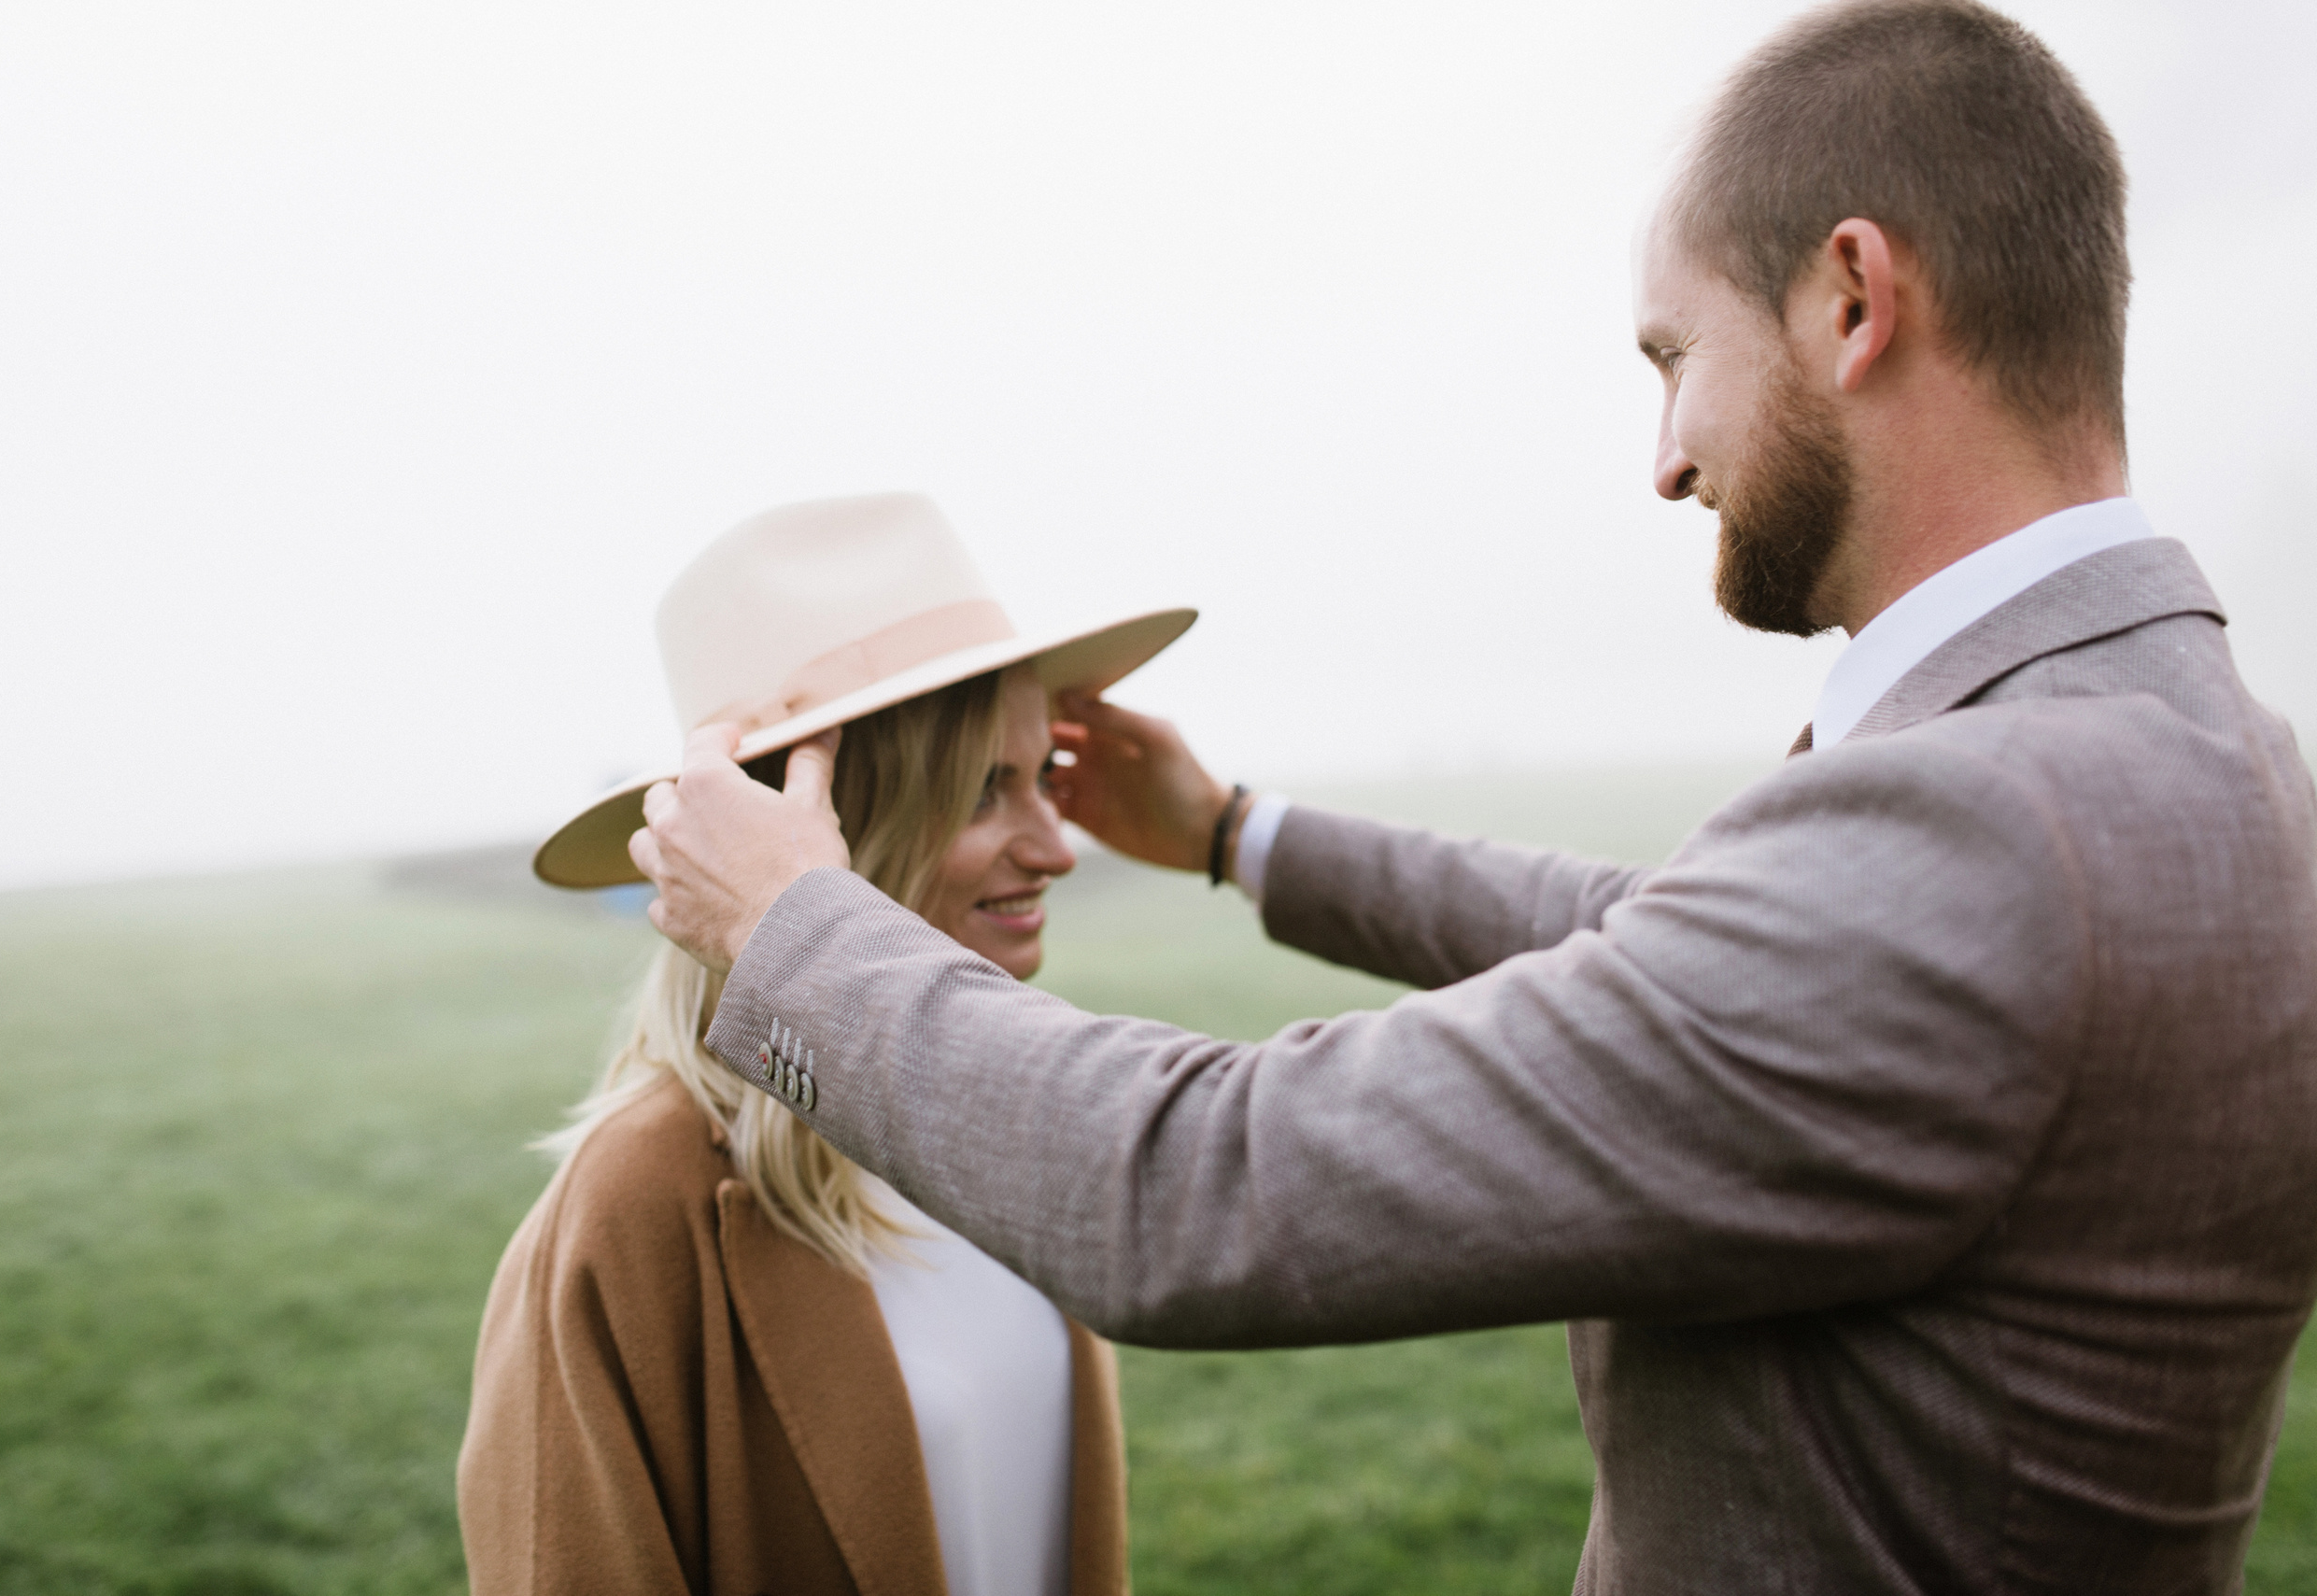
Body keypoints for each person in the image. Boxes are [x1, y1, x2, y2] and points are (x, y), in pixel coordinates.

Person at [626, 3, 2317, 1589]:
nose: (1667, 455)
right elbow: (1674, 949)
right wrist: (1234, 833)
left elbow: (1202, 1187)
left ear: (1852, 298)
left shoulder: (1985, 827)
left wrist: (798, 935)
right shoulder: (2205, 756)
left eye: (1675, 353)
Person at [456, 492, 1194, 1596]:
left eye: (1044, 777)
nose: (1057, 847)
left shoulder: (1010, 1108)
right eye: (987, 789)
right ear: (810, 828)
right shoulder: (639, 1200)